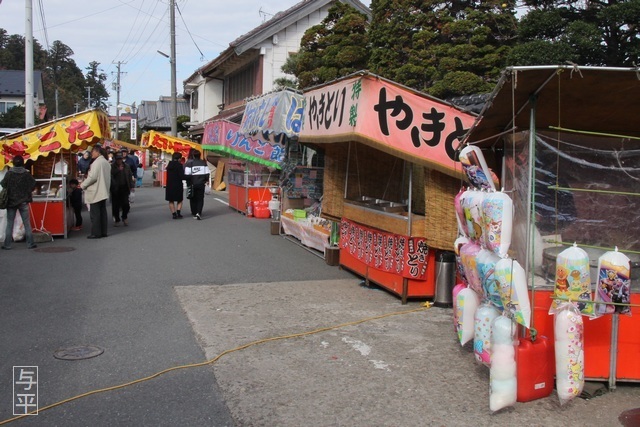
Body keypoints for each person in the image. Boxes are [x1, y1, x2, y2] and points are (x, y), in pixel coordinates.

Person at [1, 155, 37, 250]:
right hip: (24, 201)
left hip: (11, 201)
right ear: (23, 163)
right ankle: (30, 244)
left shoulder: (9, 173)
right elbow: (33, 184)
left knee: (10, 223)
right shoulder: (26, 173)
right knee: (26, 223)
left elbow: (3, 184)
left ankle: (7, 245)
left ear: (13, 163)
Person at [81, 145, 111, 239]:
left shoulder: (97, 163)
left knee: (95, 214)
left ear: (98, 152)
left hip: (96, 191)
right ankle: (103, 232)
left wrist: (82, 185)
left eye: (93, 151)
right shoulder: (105, 162)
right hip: (103, 190)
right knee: (102, 213)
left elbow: (92, 177)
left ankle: (96, 233)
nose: (92, 153)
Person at [184, 150, 209, 220]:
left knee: (192, 198)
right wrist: (205, 180)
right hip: (201, 183)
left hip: (192, 183)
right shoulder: (204, 163)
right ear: (200, 155)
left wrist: (188, 182)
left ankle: (194, 212)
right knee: (200, 198)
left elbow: (186, 175)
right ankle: (199, 212)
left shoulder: (190, 163)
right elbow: (207, 174)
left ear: (193, 156)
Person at [110, 153, 133, 227]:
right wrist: (118, 170)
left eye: (120, 159)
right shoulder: (112, 166)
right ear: (115, 159)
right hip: (115, 188)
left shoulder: (126, 166)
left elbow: (130, 176)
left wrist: (132, 186)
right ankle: (117, 219)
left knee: (126, 204)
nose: (119, 160)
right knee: (115, 205)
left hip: (125, 187)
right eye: (118, 159)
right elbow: (110, 175)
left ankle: (124, 216)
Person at [165, 152, 185, 219]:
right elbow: (182, 176)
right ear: (179, 158)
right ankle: (178, 212)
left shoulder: (169, 165)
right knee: (180, 199)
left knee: (171, 200)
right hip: (178, 184)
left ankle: (173, 214)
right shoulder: (179, 165)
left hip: (170, 184)